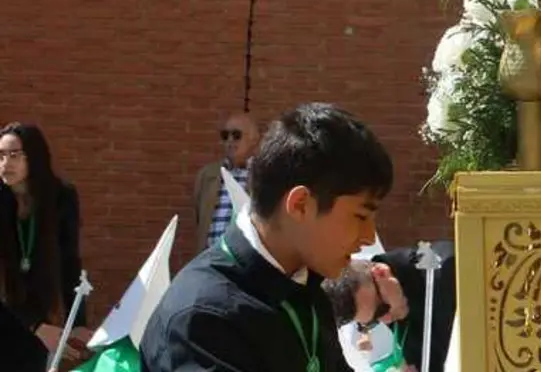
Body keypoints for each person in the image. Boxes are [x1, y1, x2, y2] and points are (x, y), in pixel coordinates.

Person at [139, 103, 394, 371]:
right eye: (361, 216)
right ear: (300, 205)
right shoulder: (203, 318)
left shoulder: (305, 284)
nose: (368, 237)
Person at [0, 123, 91, 363]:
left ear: (34, 156)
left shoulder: (60, 198)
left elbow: (69, 262)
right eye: (0, 155)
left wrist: (77, 322)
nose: (5, 163)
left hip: (36, 314)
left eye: (14, 155)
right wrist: (36, 325)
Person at [326, 249, 457, 372]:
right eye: (372, 322)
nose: (386, 320)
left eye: (382, 310)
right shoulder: (398, 302)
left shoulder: (448, 274)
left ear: (381, 273)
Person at [194, 112, 262, 251]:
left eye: (236, 135)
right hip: (211, 258)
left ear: (253, 139)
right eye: (225, 136)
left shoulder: (264, 174)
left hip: (247, 258)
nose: (230, 141)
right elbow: (199, 217)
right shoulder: (208, 175)